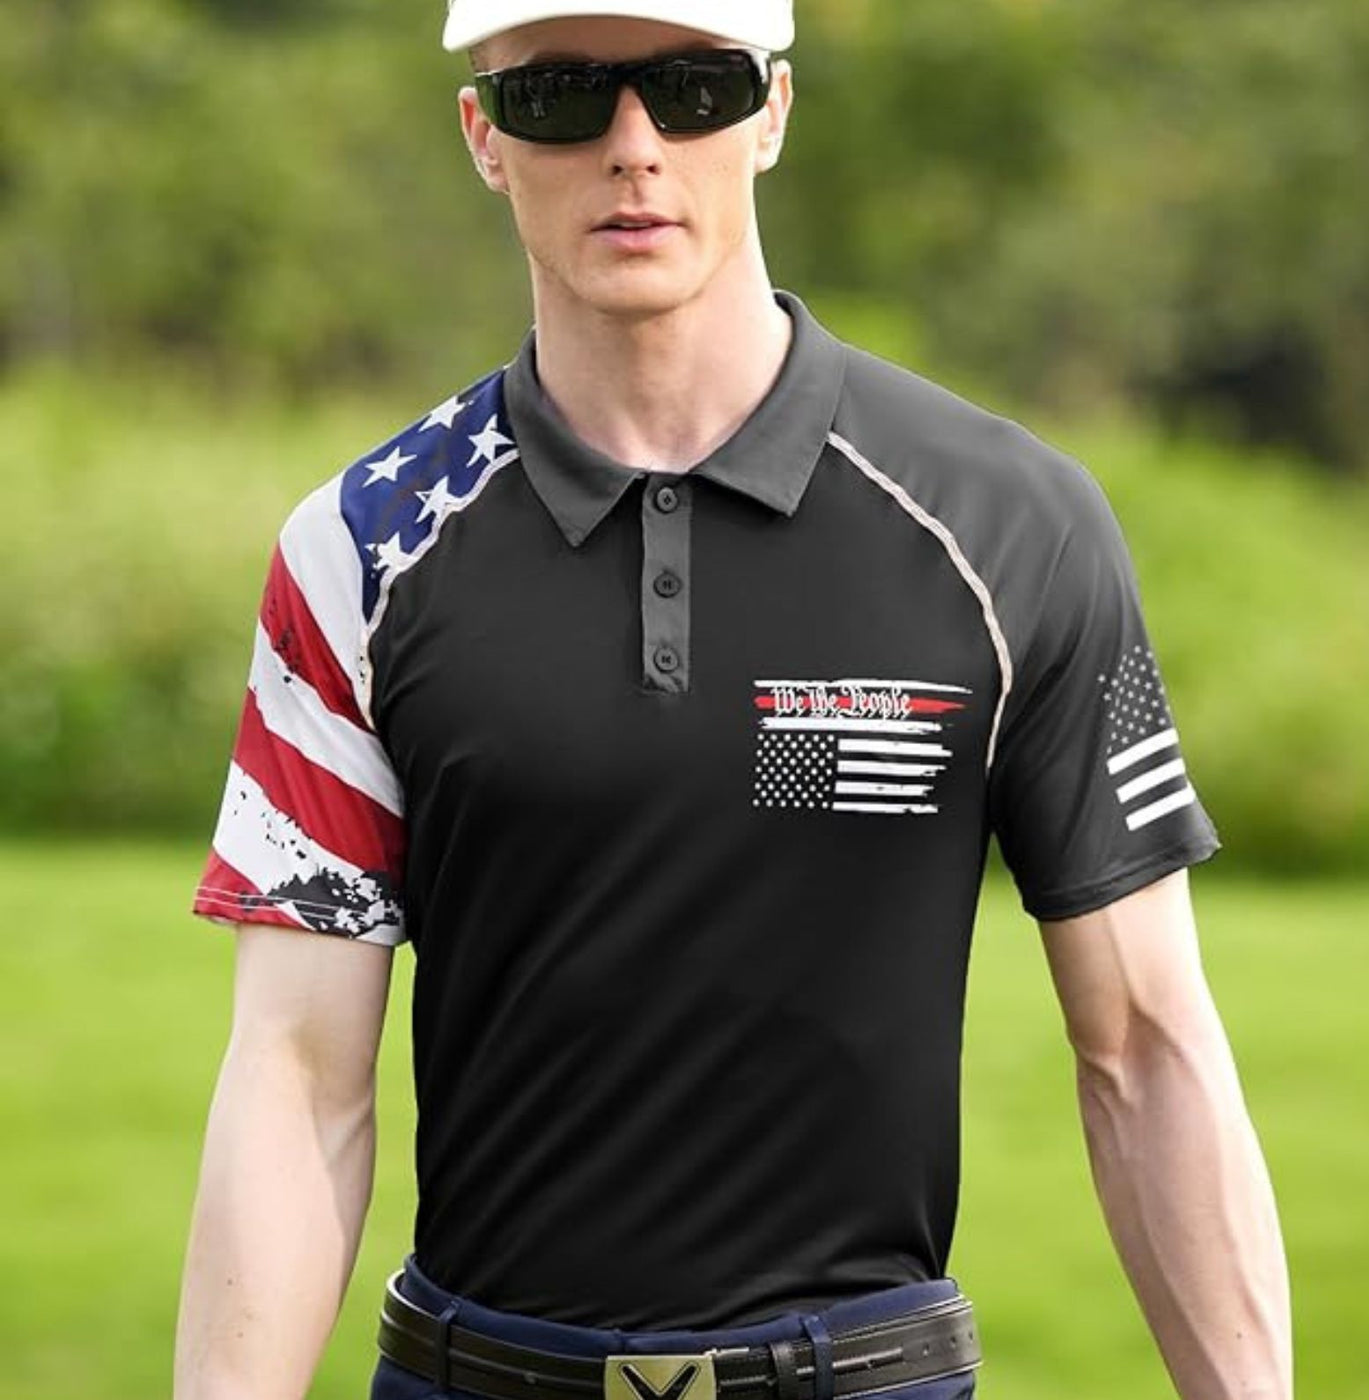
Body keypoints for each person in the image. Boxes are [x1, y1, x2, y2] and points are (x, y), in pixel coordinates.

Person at [173, 2, 1293, 1397]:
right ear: (483, 136)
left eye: (693, 88)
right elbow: (295, 1078)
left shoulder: (1019, 527)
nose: (634, 147)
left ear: (771, 111)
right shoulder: (356, 551)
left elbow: (1146, 1049)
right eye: (559, 96)